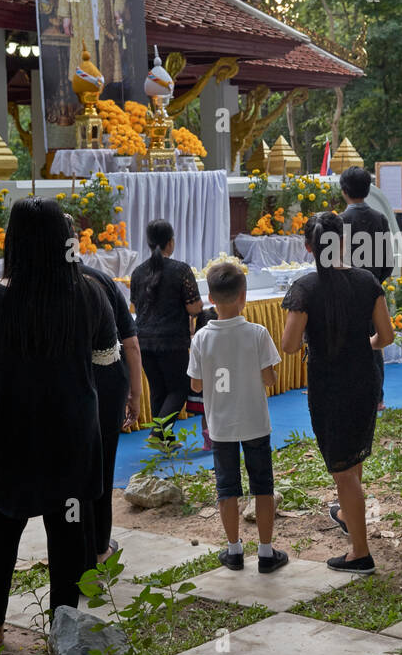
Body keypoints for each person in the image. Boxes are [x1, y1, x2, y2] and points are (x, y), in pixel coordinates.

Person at [0, 197, 120, 647]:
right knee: (69, 533)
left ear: (14, 241)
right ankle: (62, 636)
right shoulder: (89, 293)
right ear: (64, 241)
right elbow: (104, 358)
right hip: (71, 438)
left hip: (15, 437)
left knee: (2, 527)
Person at [281, 212, 395, 573]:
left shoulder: (304, 289)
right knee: (352, 459)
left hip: (329, 386)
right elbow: (386, 337)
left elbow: (289, 344)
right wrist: (366, 344)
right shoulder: (367, 281)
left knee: (343, 470)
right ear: (341, 241)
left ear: (308, 247)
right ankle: (348, 512)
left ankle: (359, 552)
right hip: (364, 379)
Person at [190, 262, 288, 574]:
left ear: (210, 298)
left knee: (226, 487)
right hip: (255, 422)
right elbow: (270, 379)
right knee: (262, 485)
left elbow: (195, 385)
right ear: (243, 296)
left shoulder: (201, 339)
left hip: (220, 425)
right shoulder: (257, 333)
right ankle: (265, 551)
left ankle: (233, 550)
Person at [69, 217, 144, 565]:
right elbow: (130, 344)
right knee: (100, 466)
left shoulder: (26, 285)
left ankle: (72, 549)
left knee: (68, 472)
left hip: (60, 390)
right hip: (104, 385)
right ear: (76, 243)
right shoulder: (98, 280)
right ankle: (98, 548)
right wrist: (135, 393)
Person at [131, 219, 203, 439]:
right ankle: (158, 433)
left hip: (143, 339)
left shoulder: (137, 272)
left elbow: (135, 305)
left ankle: (164, 440)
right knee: (179, 389)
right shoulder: (180, 270)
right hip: (172, 340)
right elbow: (194, 307)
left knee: (158, 390)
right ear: (170, 242)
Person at [339, 166, 394, 407]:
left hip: (346, 293)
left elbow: (333, 261)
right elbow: (388, 261)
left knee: (349, 341)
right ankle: (377, 397)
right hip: (373, 291)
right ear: (369, 189)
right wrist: (375, 281)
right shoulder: (379, 219)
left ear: (343, 191)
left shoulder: (340, 222)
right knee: (375, 341)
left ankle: (352, 393)